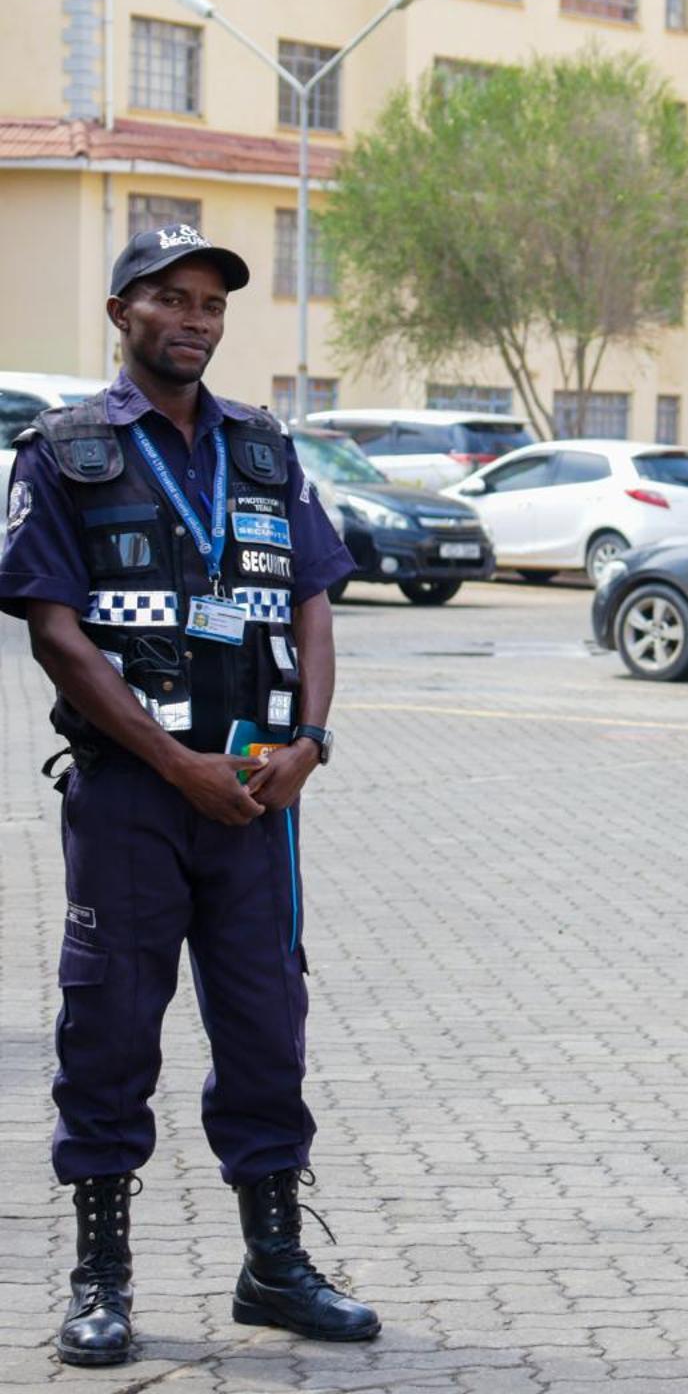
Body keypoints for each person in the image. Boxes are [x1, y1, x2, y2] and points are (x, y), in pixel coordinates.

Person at [0, 224, 377, 1366]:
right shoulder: (63, 453)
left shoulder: (263, 450)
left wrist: (308, 741)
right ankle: (101, 1278)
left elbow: (314, 597)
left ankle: (273, 1265)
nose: (194, 320)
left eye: (210, 303)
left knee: (268, 1026)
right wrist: (176, 767)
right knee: (110, 1027)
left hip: (261, 796)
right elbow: (57, 635)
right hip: (134, 796)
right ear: (122, 313)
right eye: (169, 298)